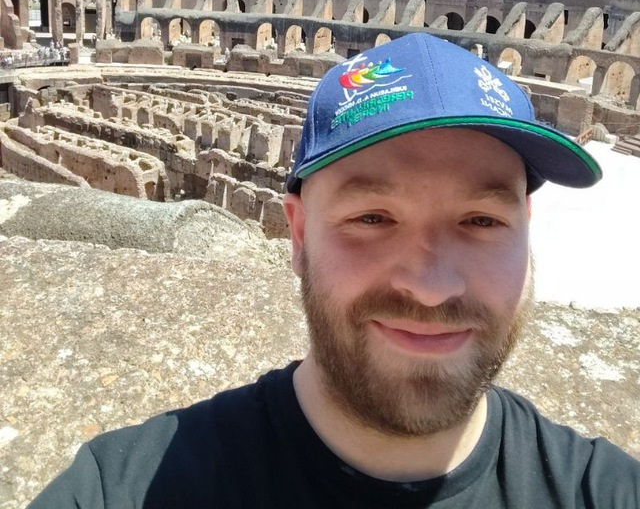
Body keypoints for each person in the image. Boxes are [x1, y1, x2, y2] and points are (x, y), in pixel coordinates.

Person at [29, 33, 640, 508]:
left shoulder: (609, 492)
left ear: (527, 228)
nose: (431, 286)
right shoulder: (122, 491)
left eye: (481, 220)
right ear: (297, 234)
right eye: (372, 218)